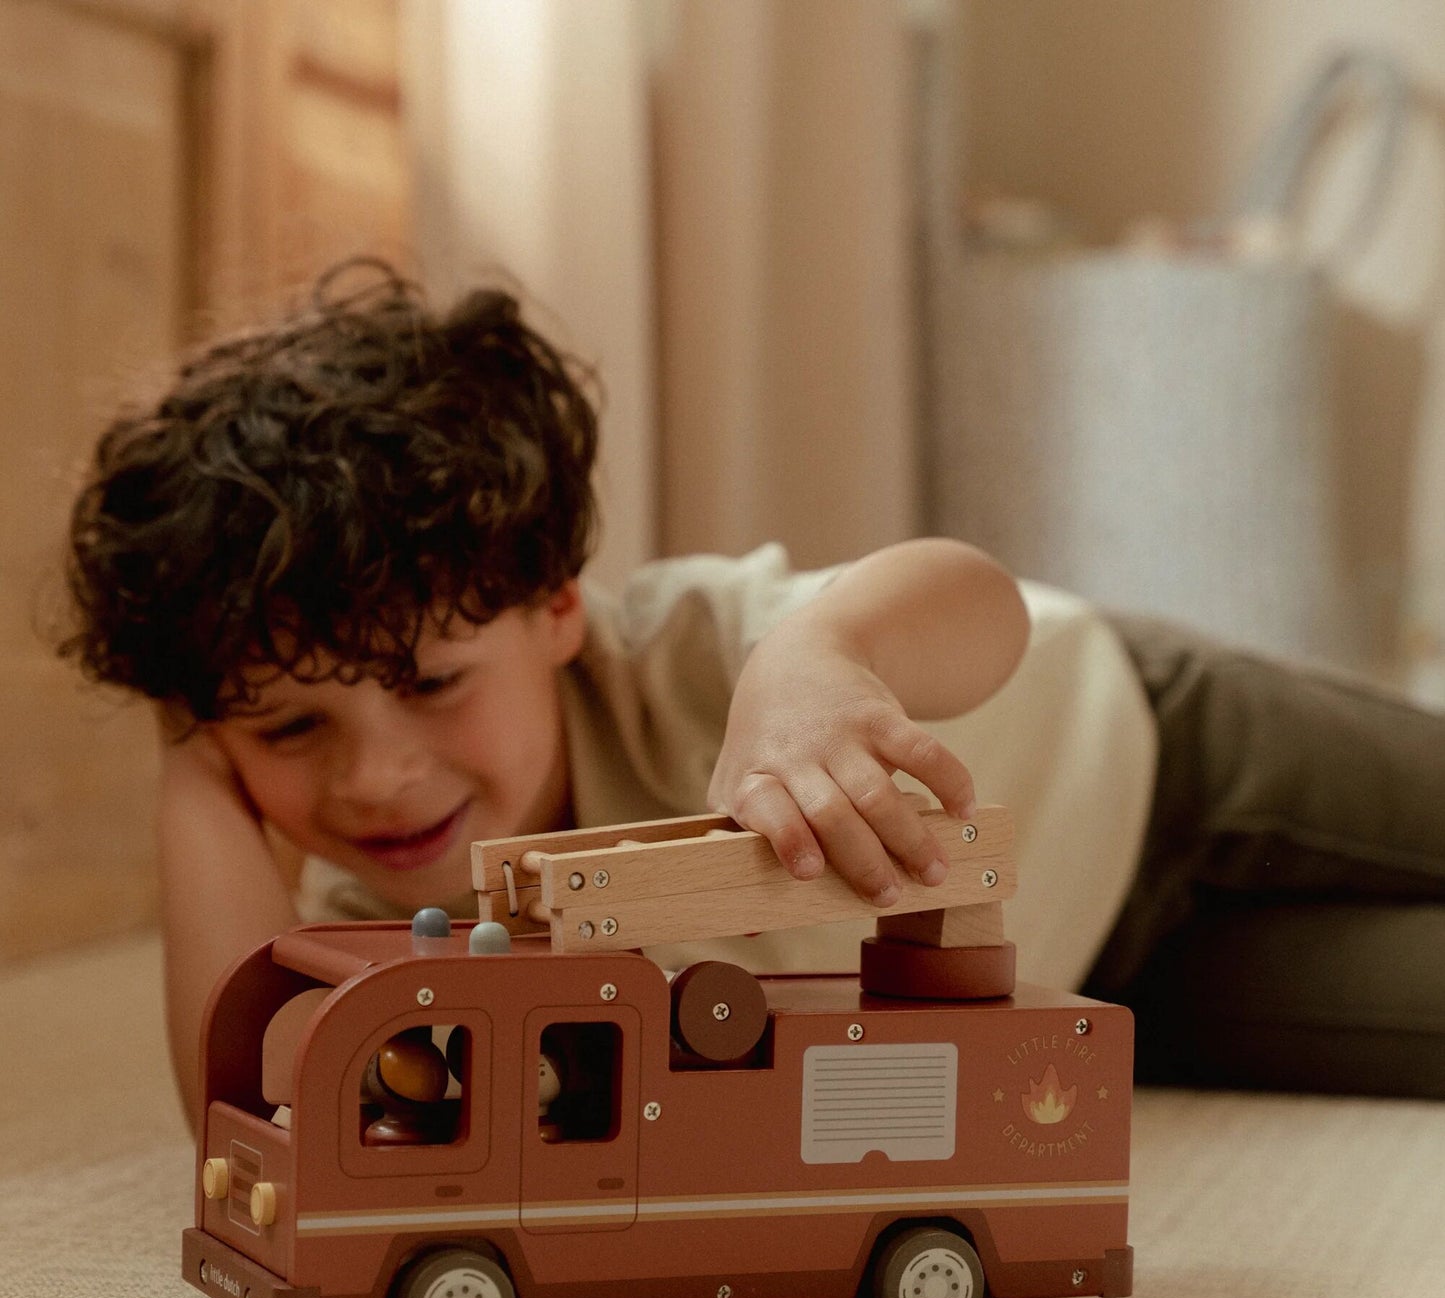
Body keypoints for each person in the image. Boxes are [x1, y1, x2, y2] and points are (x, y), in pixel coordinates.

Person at [59, 260, 1445, 1127]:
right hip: (1100, 971)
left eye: (428, 681)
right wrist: (193, 773)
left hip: (1157, 743)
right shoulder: (397, 922)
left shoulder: (688, 654)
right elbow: (260, 1103)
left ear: (555, 606)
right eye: (285, 729)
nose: (372, 778)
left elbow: (974, 600)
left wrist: (811, 669)